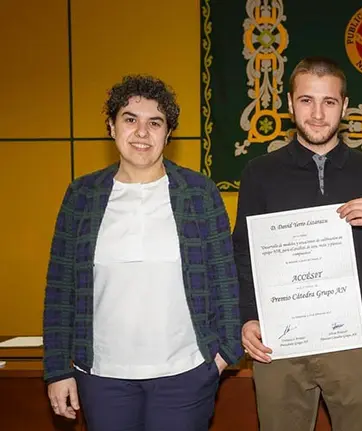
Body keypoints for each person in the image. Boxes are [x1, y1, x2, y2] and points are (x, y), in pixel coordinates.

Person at [42, 75, 243, 431]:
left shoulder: (198, 193)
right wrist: (58, 369)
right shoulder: (82, 196)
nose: (141, 132)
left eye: (155, 123)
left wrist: (223, 355)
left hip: (184, 376)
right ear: (111, 126)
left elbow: (224, 279)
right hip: (102, 378)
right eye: (130, 119)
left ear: (168, 134)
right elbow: (60, 289)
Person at [233, 56, 362, 431]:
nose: (317, 113)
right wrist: (248, 316)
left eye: (328, 102)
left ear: (343, 106)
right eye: (307, 100)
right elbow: (244, 255)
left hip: (353, 340)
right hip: (280, 342)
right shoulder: (259, 173)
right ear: (291, 104)